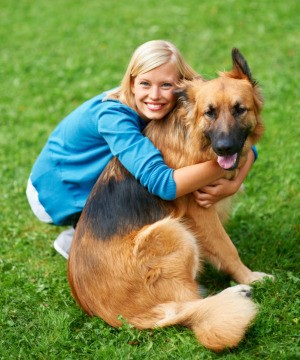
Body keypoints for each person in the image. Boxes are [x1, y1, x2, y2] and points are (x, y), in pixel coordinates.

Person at [26, 40, 257, 259]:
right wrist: (223, 170)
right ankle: (79, 235)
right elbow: (164, 184)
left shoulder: (190, 98)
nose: (155, 95)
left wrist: (234, 181)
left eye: (166, 85)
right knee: (141, 186)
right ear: (131, 83)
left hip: (86, 177)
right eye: (145, 83)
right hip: (58, 189)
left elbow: (240, 140)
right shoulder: (113, 117)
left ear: (180, 85)